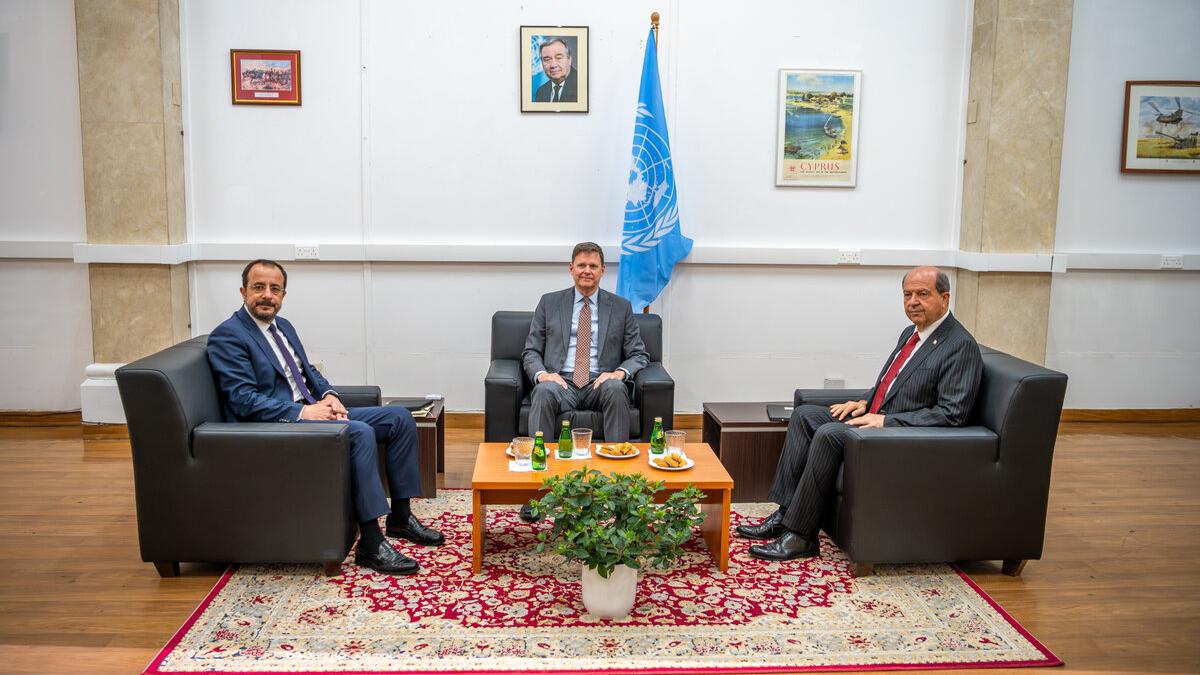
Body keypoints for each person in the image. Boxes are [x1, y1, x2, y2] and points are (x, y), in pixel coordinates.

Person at [207, 259, 444, 576]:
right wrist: (303, 411)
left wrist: (330, 395)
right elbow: (242, 399)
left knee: (399, 418)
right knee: (358, 432)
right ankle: (371, 544)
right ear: (243, 291)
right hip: (275, 427)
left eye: (275, 289)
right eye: (258, 287)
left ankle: (400, 517)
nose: (267, 295)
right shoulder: (228, 336)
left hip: (311, 412)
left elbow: (308, 374)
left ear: (283, 295)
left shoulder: (283, 326)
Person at [737, 266, 983, 561]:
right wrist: (865, 401)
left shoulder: (959, 346)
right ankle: (785, 514)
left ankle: (801, 537)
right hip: (876, 418)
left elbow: (953, 414)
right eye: (907, 295)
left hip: (899, 436)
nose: (913, 302)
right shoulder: (911, 333)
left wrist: (886, 420)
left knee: (829, 434)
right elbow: (894, 382)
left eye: (922, 294)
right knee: (805, 416)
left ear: (945, 298)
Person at [518, 243, 649, 521]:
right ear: (571, 269)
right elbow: (531, 351)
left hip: (599, 383)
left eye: (593, 266)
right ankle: (537, 492)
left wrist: (618, 373)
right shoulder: (549, 302)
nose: (586, 271)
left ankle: (618, 492)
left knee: (616, 388)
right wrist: (543, 374)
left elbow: (639, 354)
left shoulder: (621, 307)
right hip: (560, 382)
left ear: (602, 270)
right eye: (581, 265)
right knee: (543, 391)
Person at [533, 37, 578, 103]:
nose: (553, 65)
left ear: (569, 60)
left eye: (559, 58)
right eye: (547, 60)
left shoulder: (582, 85)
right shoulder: (540, 92)